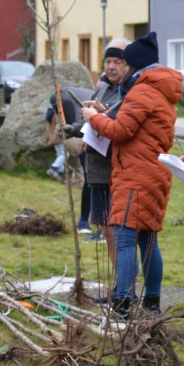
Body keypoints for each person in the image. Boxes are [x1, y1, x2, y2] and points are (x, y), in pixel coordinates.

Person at [81, 32, 181, 317]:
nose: (118, 69)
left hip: (136, 174)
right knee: (148, 240)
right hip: (153, 173)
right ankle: (152, 302)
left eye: (123, 64)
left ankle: (122, 305)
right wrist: (106, 114)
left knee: (125, 240)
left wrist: (94, 119)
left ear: (135, 65)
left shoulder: (143, 91)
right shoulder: (158, 90)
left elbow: (120, 131)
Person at [62, 39, 128, 255]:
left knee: (121, 234)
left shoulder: (129, 93)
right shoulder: (101, 90)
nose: (110, 67)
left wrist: (103, 114)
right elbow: (90, 121)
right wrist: (72, 128)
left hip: (117, 172)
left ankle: (125, 286)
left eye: (117, 62)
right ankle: (117, 285)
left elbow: (120, 125)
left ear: (128, 64)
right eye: (108, 61)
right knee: (107, 230)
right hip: (97, 171)